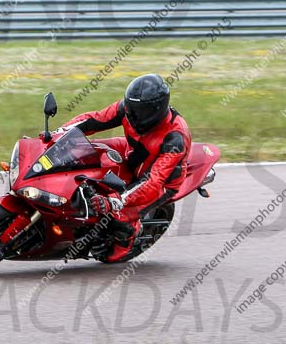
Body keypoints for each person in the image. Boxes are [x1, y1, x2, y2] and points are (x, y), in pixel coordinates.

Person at [60, 74, 192, 262]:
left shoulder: (174, 139)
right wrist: (61, 134)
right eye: (132, 109)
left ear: (156, 110)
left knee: (118, 214)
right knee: (84, 152)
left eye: (141, 112)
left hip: (161, 181)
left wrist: (116, 200)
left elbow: (152, 181)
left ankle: (129, 237)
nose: (133, 116)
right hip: (132, 151)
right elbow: (94, 119)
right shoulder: (128, 109)